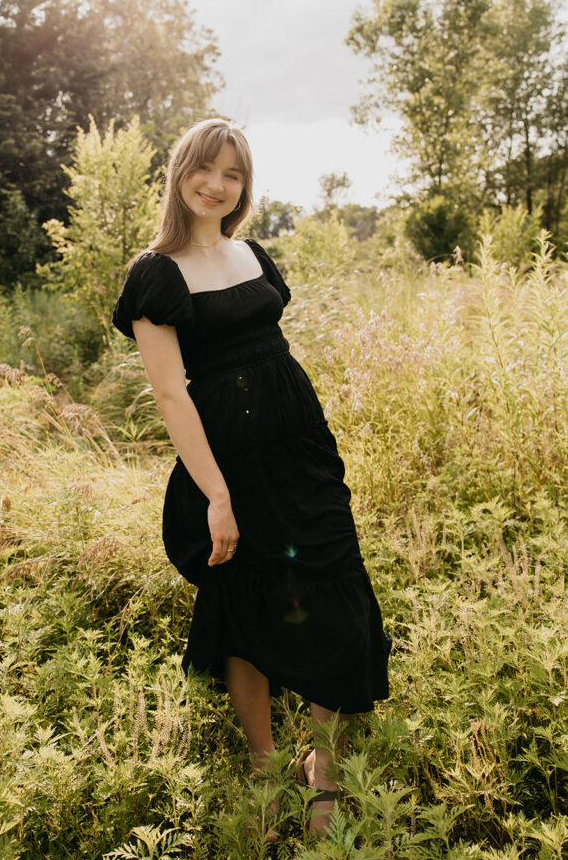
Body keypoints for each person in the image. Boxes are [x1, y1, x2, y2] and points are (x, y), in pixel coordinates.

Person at [112, 118, 391, 837]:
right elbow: (170, 393)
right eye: (204, 169)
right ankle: (267, 767)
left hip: (300, 450)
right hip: (227, 466)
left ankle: (324, 772)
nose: (216, 185)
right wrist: (217, 494)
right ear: (179, 173)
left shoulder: (251, 253)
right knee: (244, 609)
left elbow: (272, 350)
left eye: (232, 174)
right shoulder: (156, 273)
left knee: (334, 592)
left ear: (245, 185)